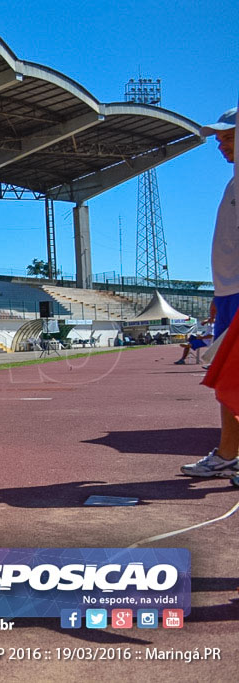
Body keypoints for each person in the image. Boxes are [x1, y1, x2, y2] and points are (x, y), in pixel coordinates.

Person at [181, 107, 239, 478]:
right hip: (230, 294)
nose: (221, 144)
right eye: (219, 138)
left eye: (229, 137)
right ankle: (228, 452)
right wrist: (220, 297)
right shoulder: (233, 184)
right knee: (227, 379)